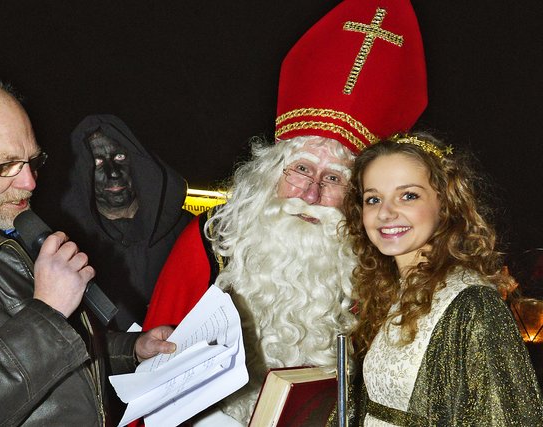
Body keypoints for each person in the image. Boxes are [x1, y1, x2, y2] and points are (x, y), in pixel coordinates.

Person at [143, 0, 428, 423]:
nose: (311, 193)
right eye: (301, 169)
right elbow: (154, 363)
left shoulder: (371, 266)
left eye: (334, 179)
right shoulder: (211, 240)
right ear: (269, 173)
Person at [0, 75, 175, 426]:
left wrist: (130, 351)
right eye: (6, 165)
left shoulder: (9, 221)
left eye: (33, 160)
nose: (29, 182)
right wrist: (47, 312)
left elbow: (61, 353)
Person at [341, 132, 543, 425]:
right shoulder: (392, 293)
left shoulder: (471, 303)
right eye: (373, 199)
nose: (385, 213)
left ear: (445, 203)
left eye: (408, 195)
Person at [60, 114, 193, 331]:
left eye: (120, 156)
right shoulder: (69, 247)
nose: (113, 172)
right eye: (98, 162)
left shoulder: (186, 231)